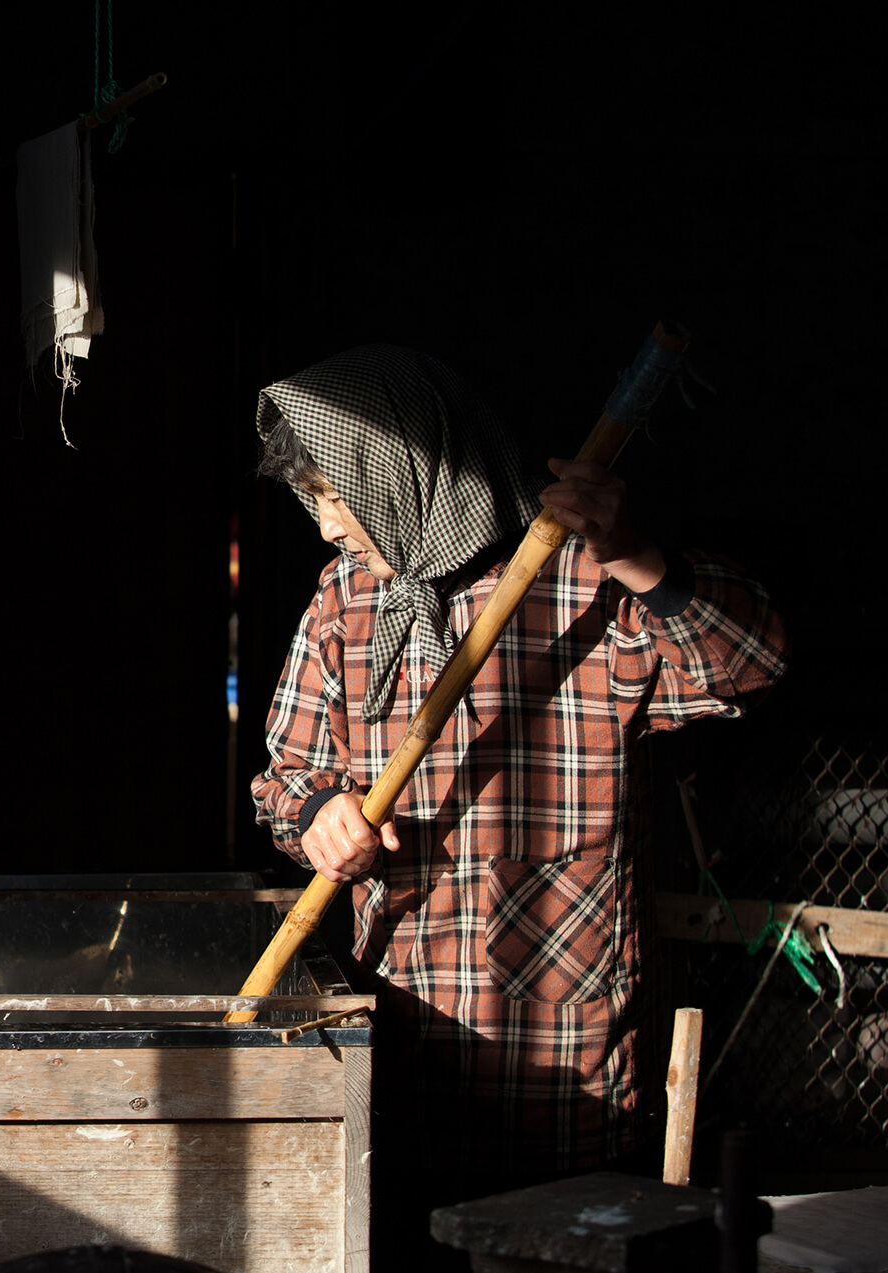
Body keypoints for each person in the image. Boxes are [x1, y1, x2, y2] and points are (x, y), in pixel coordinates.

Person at [248, 344, 789, 1266]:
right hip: (404, 1057)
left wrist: (637, 557)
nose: (328, 526)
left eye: (336, 495)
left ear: (400, 470)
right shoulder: (345, 599)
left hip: (561, 1062)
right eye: (313, 501)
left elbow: (749, 661)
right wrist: (319, 814)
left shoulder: (581, 577)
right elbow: (285, 775)